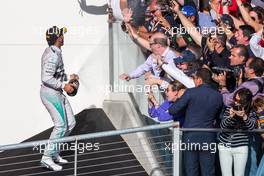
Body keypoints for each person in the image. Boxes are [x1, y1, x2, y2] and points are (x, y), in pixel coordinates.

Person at [168, 68, 223, 176]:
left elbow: (173, 110)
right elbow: (220, 117)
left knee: (191, 170)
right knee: (208, 171)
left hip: (191, 136)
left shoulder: (191, 92)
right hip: (209, 136)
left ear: (199, 80)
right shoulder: (218, 95)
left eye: (194, 78)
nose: (193, 81)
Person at [40, 26, 79, 171]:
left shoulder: (55, 51)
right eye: (62, 35)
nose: (64, 37)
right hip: (50, 94)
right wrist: (64, 85)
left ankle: (54, 152)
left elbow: (55, 74)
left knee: (71, 123)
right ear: (59, 38)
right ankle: (47, 157)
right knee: (61, 126)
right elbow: (45, 77)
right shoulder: (52, 55)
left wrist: (70, 78)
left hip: (56, 92)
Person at [218, 88, 256, 176]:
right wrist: (230, 117)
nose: (235, 102)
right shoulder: (229, 109)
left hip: (241, 147)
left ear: (245, 102)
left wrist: (244, 117)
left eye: (238, 101)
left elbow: (252, 127)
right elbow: (222, 126)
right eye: (235, 99)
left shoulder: (250, 112)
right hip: (225, 146)